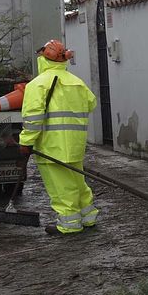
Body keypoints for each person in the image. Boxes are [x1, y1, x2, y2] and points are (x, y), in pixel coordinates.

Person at [19, 39, 98, 236]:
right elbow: (91, 104)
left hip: (51, 146)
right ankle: (88, 217)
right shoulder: (77, 83)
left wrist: (26, 141)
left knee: (61, 187)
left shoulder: (37, 85)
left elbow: (33, 118)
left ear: (44, 59)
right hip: (75, 144)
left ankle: (69, 224)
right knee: (77, 182)